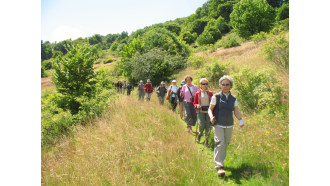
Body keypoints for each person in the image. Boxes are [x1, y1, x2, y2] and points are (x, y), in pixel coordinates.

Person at [208, 75, 245, 176]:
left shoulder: (233, 99)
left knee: (225, 144)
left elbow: (236, 111)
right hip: (218, 124)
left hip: (229, 124)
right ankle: (219, 166)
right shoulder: (216, 97)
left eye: (227, 85)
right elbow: (210, 109)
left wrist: (240, 120)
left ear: (230, 86)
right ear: (220, 85)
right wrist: (211, 117)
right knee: (220, 143)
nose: (224, 86)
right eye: (223, 84)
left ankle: (220, 161)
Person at [193, 78, 213, 145]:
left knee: (208, 126)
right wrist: (197, 105)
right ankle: (199, 135)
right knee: (201, 125)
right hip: (200, 111)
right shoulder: (197, 93)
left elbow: (213, 102)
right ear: (200, 85)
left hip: (208, 112)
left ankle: (206, 140)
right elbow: (194, 102)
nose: (205, 85)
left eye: (206, 84)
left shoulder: (210, 93)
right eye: (203, 84)